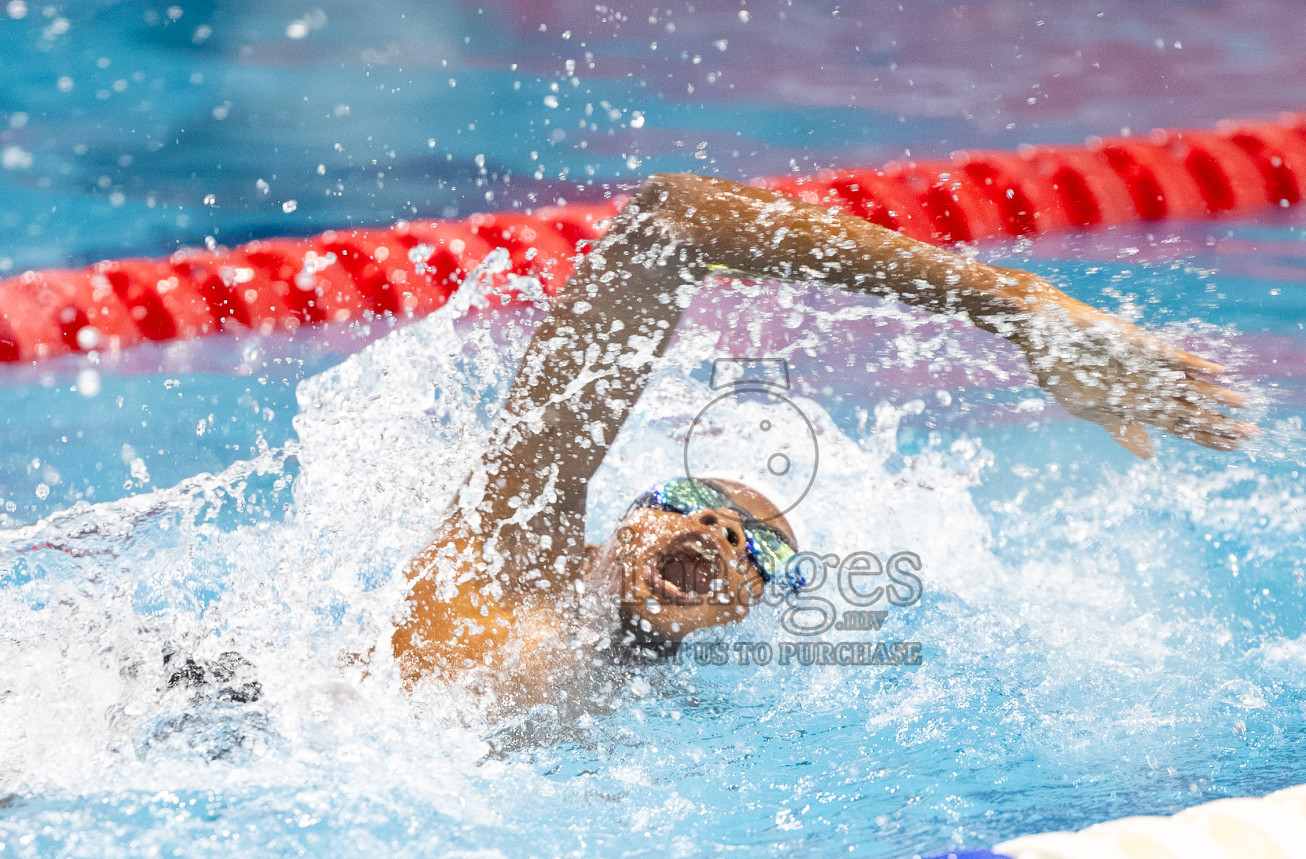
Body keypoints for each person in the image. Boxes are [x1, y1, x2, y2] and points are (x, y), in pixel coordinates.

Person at [390, 172, 1253, 705]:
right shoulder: (508, 562)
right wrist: (1015, 308)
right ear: (613, 526)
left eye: (760, 545)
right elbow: (668, 221)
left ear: (743, 611)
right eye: (698, 500)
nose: (726, 532)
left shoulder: (645, 700)